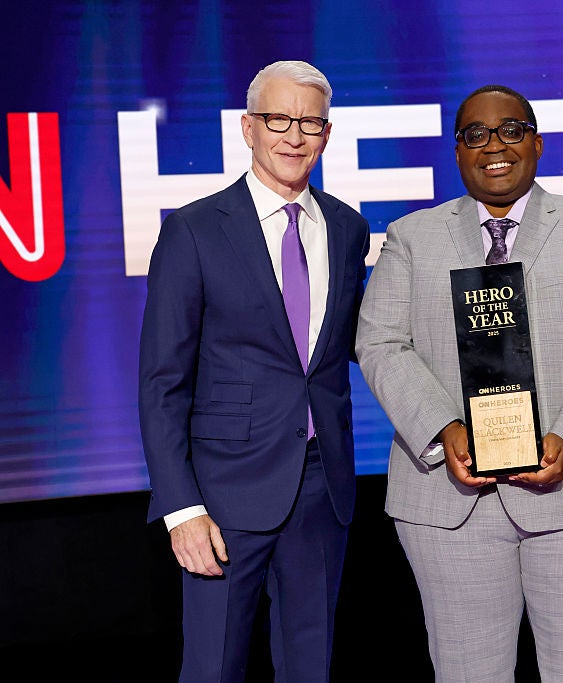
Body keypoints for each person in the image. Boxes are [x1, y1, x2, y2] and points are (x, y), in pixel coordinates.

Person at [355, 84, 563, 682]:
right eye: (476, 134)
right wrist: (445, 429)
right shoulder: (412, 237)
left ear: (538, 144)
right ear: (458, 152)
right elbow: (381, 343)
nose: (495, 145)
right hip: (449, 501)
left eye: (511, 131)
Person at [138, 60, 370, 682]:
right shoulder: (193, 230)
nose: (294, 136)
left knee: (310, 667)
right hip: (221, 494)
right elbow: (162, 382)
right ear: (248, 128)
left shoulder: (348, 228)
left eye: (310, 122)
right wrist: (180, 508)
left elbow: (355, 345)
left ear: (327, 133)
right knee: (213, 668)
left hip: (324, 487)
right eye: (278, 119)